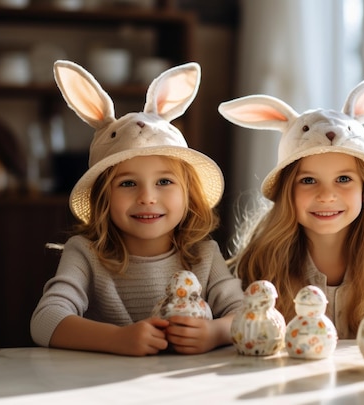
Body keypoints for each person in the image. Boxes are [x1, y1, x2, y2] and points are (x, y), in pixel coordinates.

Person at [30, 60, 243, 356]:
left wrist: (215, 332)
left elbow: (246, 314)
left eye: (164, 182)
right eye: (128, 184)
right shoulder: (84, 253)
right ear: (103, 197)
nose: (147, 197)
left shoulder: (204, 256)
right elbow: (45, 320)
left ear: (188, 195)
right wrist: (118, 339)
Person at [219, 75, 364, 339]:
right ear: (287, 191)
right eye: (308, 180)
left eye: (343, 179)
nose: (326, 195)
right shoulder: (260, 266)